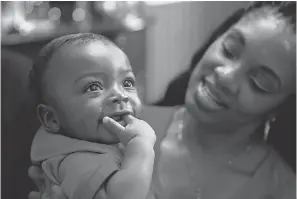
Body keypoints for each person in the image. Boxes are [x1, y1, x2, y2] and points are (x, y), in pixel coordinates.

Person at [29, 2, 296, 199]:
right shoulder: (106, 128)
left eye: (259, 82)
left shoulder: (281, 187)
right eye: (229, 50)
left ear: (282, 106)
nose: (225, 76)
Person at [29, 33, 156, 199]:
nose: (120, 95)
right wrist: (141, 147)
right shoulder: (78, 159)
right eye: (93, 87)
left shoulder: (93, 143)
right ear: (51, 118)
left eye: (127, 83)